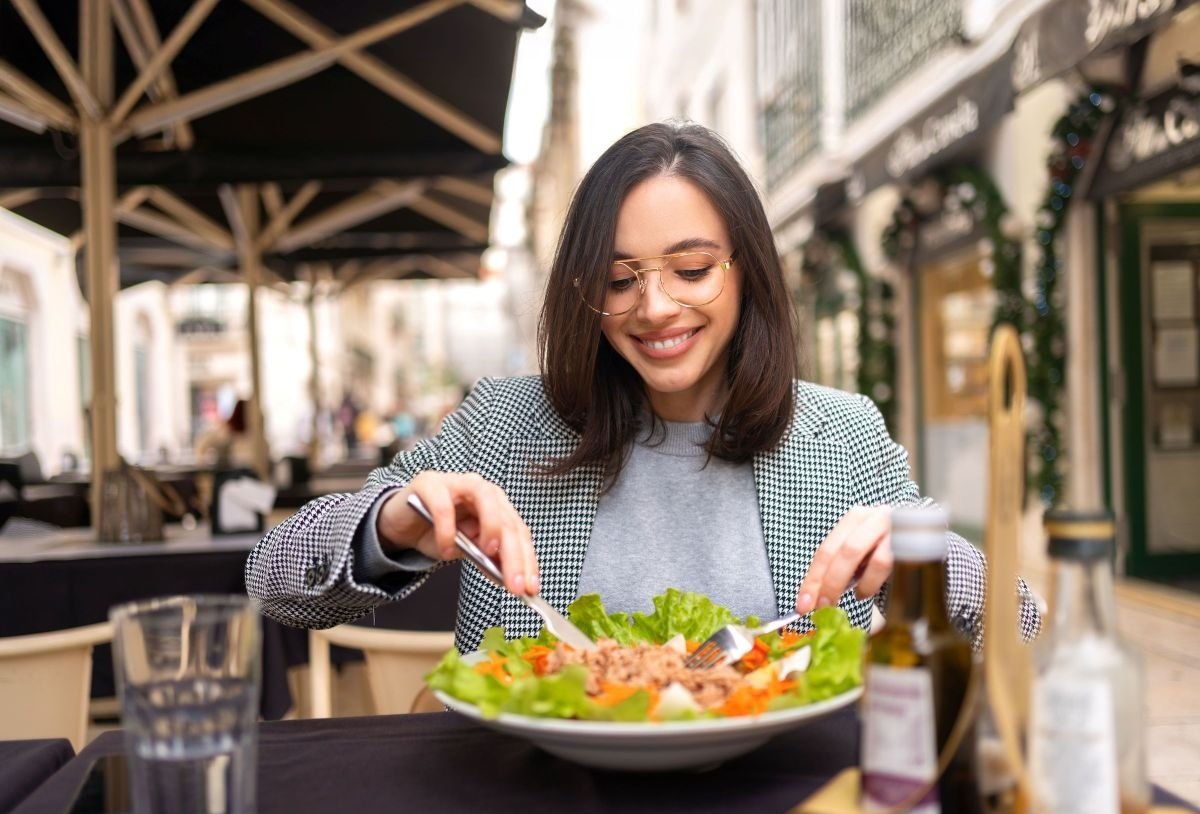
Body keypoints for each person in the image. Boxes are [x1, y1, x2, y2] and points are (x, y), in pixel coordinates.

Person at [247, 122, 1040, 651]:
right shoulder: (503, 425)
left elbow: (1026, 627)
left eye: (691, 269)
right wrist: (390, 524)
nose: (655, 307)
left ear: (746, 271)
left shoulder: (845, 434)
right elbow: (273, 582)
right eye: (619, 278)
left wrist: (936, 568)